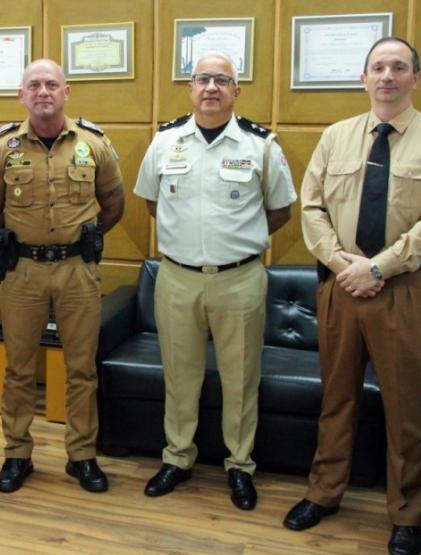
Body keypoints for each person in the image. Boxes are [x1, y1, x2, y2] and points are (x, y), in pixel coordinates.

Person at [283, 37, 421, 555]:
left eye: (399, 67)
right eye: (378, 67)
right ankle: (324, 493)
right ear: (363, 78)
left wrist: (378, 266)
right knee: (336, 400)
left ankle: (407, 515)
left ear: (415, 78)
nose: (387, 75)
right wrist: (345, 266)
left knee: (405, 410)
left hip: (402, 292)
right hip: (341, 289)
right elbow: (312, 209)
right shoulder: (336, 136)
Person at [133, 52, 297, 510]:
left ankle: (240, 466)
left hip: (239, 279)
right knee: (179, 376)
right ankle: (177, 459)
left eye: (221, 80)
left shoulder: (260, 144)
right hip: (177, 277)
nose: (211, 87)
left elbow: (281, 209)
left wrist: (236, 242)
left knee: (241, 378)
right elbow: (152, 202)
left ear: (236, 91)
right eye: (203, 78)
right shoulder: (165, 142)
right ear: (190, 87)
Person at [0, 59, 125, 494]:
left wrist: (85, 238)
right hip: (23, 271)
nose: (43, 91)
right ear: (21, 95)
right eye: (34, 85)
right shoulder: (2, 148)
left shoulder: (94, 144)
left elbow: (114, 202)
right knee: (18, 369)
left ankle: (81, 456)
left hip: (77, 269)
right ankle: (17, 454)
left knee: (81, 368)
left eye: (51, 84)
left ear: (67, 92)